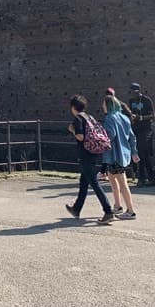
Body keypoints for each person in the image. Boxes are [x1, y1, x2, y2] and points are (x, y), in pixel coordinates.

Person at [65, 94, 114, 225]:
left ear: (73, 107)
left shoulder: (78, 119)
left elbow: (80, 136)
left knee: (94, 183)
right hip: (94, 151)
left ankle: (108, 211)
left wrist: (72, 130)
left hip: (85, 154)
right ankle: (76, 208)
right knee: (83, 182)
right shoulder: (89, 117)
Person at [101, 94, 140, 219]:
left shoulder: (109, 118)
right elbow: (132, 137)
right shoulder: (124, 118)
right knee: (113, 180)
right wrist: (134, 152)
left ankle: (131, 210)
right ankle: (117, 206)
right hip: (123, 154)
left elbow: (110, 135)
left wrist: (101, 136)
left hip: (114, 154)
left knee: (122, 183)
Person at [128, 82, 155, 186]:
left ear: (139, 91)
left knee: (142, 152)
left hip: (146, 129)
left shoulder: (146, 100)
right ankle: (147, 177)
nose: (133, 94)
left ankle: (144, 178)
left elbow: (152, 115)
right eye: (132, 92)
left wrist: (141, 118)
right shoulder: (131, 101)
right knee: (140, 154)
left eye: (135, 92)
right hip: (136, 129)